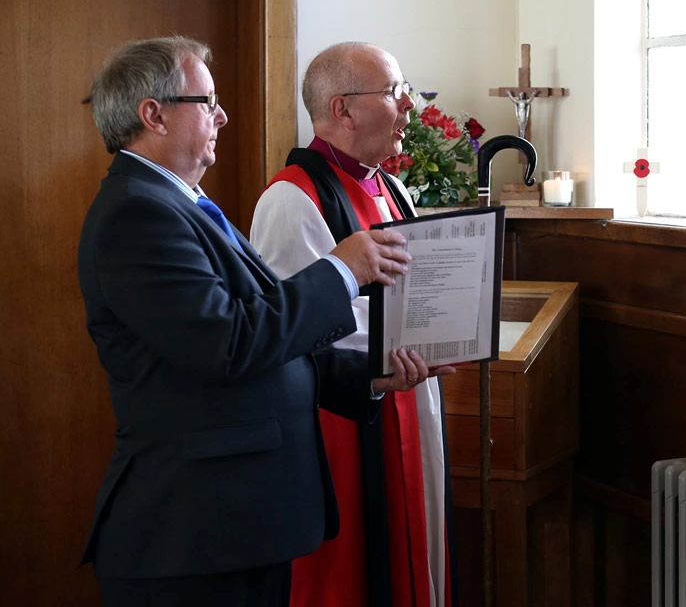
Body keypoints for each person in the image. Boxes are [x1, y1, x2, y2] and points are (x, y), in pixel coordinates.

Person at [77, 35, 444, 607]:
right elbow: (227, 343)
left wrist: (369, 375)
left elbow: (269, 341)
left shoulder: (181, 203)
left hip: (238, 523)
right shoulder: (136, 213)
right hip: (194, 530)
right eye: (207, 102)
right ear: (154, 115)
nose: (222, 115)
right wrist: (341, 271)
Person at [250, 42, 458, 607]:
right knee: (353, 574)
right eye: (394, 92)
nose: (409, 105)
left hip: (407, 390)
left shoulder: (391, 187)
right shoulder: (292, 197)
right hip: (344, 415)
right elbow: (294, 323)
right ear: (342, 109)